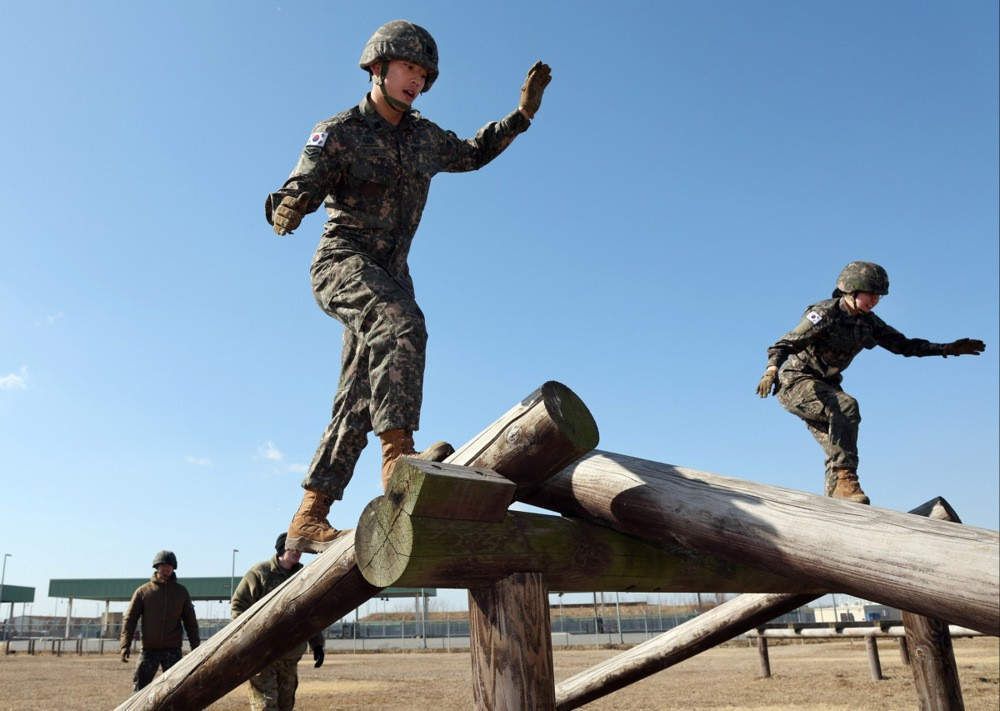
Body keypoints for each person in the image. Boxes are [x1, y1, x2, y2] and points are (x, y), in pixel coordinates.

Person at [266, 20, 552, 553]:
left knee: (357, 398)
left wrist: (522, 116)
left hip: (391, 273)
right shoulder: (341, 131)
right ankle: (398, 459)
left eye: (423, 73)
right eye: (406, 68)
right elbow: (301, 182)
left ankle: (309, 516)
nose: (415, 80)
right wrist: (287, 204)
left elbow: (470, 153)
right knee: (403, 324)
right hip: (341, 262)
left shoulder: (423, 137)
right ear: (377, 68)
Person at [755, 261, 985, 504]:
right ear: (851, 290)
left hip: (826, 387)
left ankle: (839, 501)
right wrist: (770, 372)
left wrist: (946, 349)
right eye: (871, 294)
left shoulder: (869, 323)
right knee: (846, 406)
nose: (875, 300)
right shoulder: (824, 313)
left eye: (879, 296)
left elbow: (904, 346)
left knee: (838, 449)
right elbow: (784, 344)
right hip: (796, 382)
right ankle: (845, 481)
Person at [231, 534, 326, 711]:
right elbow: (238, 606)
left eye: (301, 548)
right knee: (265, 707)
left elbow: (309, 614)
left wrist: (317, 644)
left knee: (285, 706)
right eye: (294, 547)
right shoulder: (260, 572)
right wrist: (248, 642)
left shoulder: (304, 576)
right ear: (282, 548)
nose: (299, 552)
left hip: (290, 656)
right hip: (263, 656)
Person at [120, 550, 200, 691]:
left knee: (176, 690)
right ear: (157, 567)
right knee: (140, 690)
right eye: (163, 565)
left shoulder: (181, 592)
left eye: (169, 566)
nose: (166, 569)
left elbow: (190, 622)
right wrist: (125, 645)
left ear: (173, 568)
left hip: (173, 651)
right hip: (149, 650)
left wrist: (196, 647)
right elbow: (130, 619)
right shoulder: (143, 592)